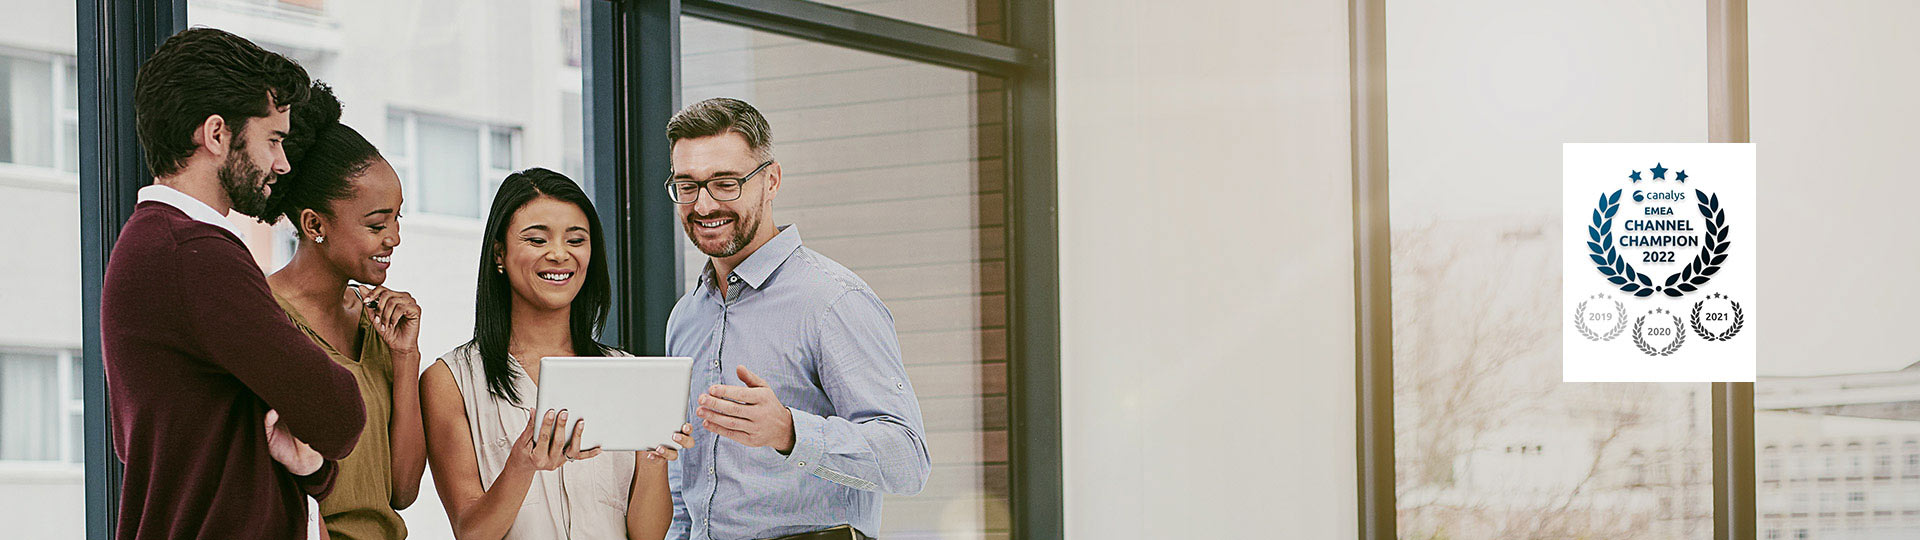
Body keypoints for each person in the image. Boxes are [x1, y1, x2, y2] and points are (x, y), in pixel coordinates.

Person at [101, 27, 365, 539]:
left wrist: (313, 468)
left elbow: (182, 443)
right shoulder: (194, 254)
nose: (282, 164)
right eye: (273, 140)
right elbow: (338, 414)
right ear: (217, 134)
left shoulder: (152, 245)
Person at [663, 97, 931, 540]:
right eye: (687, 186)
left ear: (771, 181)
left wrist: (789, 431)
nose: (704, 205)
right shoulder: (686, 317)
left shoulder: (833, 301)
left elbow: (908, 461)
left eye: (725, 183)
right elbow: (685, 481)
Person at [420, 168, 695, 540]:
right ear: (500, 252)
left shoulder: (626, 373)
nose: (559, 254)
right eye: (537, 240)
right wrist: (523, 465)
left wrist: (653, 459)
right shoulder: (450, 381)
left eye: (576, 240)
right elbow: (471, 532)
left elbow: (647, 534)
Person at [262, 81, 429, 540]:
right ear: (314, 224)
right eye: (376, 224)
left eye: (397, 218)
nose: (394, 238)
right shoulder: (265, 320)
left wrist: (406, 357)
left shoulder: (381, 324)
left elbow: (403, 489)